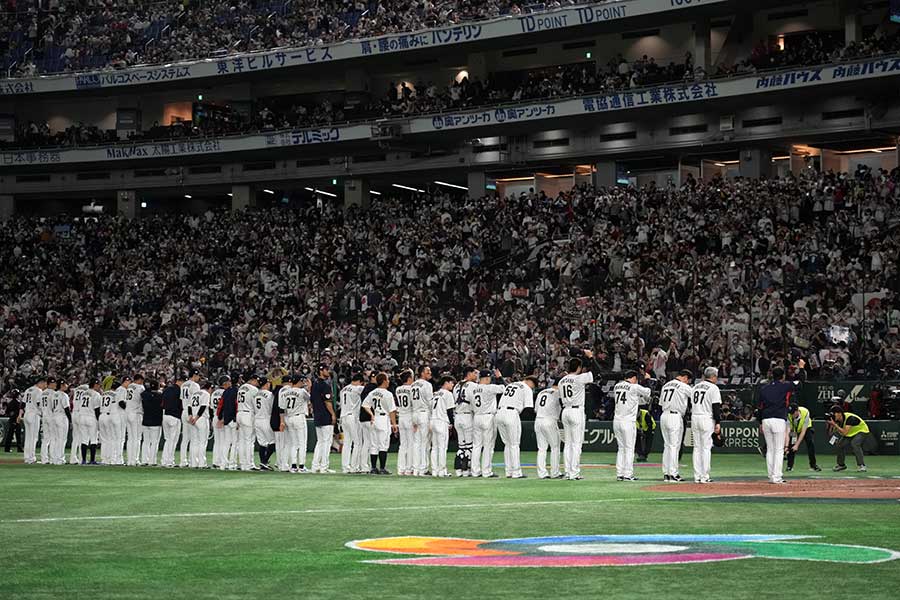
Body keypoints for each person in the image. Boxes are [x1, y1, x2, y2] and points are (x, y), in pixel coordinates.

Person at [559, 352, 594, 480]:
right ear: (578, 368)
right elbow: (594, 372)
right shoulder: (579, 378)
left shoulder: (562, 380)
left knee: (568, 443)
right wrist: (590, 358)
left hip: (565, 410)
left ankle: (568, 472)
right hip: (576, 411)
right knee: (576, 444)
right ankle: (574, 473)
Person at [612, 370, 651, 481]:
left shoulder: (617, 386)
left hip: (617, 421)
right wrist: (647, 379)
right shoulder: (634, 387)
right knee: (629, 448)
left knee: (621, 448)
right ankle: (628, 474)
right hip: (628, 421)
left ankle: (620, 473)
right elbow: (647, 392)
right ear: (633, 378)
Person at [495, 376, 537, 479]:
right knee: (514, 444)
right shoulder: (526, 388)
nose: (532, 388)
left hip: (499, 413)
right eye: (533, 386)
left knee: (507, 444)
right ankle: (516, 472)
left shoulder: (511, 384)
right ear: (530, 382)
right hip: (511, 413)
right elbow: (529, 408)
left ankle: (508, 471)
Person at [757, 367, 792, 484]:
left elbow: (759, 407)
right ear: (782, 376)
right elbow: (800, 384)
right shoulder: (785, 386)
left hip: (766, 419)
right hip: (778, 419)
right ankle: (777, 476)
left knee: (770, 449)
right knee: (778, 449)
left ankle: (771, 475)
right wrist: (801, 368)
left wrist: (760, 422)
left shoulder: (764, 388)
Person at [469, 369, 505, 478]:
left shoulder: (473, 389)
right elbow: (504, 388)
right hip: (488, 417)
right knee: (488, 446)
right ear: (487, 378)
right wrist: (499, 377)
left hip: (477, 417)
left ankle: (475, 471)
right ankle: (486, 471)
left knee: (476, 446)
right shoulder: (490, 387)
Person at [362, 372, 398, 474]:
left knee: (374, 445)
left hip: (375, 418)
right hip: (383, 419)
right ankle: (382, 468)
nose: (388, 381)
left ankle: (373, 468)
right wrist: (394, 424)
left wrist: (371, 414)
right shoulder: (388, 394)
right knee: (383, 445)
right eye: (387, 379)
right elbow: (392, 411)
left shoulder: (373, 392)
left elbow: (365, 405)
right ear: (384, 381)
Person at [691, 367, 722, 484]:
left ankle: (697, 476)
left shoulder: (695, 387)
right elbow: (716, 407)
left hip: (695, 417)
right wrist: (718, 422)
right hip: (706, 418)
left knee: (697, 448)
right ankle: (705, 476)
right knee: (706, 448)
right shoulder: (714, 388)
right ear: (713, 377)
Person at [659, 370, 692, 482]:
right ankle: (673, 473)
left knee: (667, 446)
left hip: (664, 415)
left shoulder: (666, 385)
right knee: (674, 446)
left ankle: (666, 473)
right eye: (688, 380)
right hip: (675, 416)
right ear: (685, 378)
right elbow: (695, 397)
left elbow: (661, 403)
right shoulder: (683, 386)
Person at [827, 405, 870, 472]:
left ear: (839, 413)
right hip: (850, 433)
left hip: (861, 430)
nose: (832, 416)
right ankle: (841, 465)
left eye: (834, 414)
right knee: (840, 445)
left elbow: (844, 433)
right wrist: (831, 425)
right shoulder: (838, 420)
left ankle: (861, 465)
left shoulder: (850, 418)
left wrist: (835, 425)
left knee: (855, 443)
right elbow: (830, 433)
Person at [534, 379, 563, 479]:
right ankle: (555, 473)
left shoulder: (542, 392)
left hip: (538, 420)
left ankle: (542, 473)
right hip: (549, 420)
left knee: (541, 448)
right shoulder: (558, 393)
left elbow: (536, 409)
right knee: (555, 447)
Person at [310, 364, 336, 473]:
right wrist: (333, 414)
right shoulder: (325, 385)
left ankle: (315, 466)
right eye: (326, 370)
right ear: (321, 371)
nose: (328, 371)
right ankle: (324, 467)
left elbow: (311, 401)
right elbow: (327, 402)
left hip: (317, 415)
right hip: (325, 415)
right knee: (326, 441)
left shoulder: (314, 384)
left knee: (320, 441)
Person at [452, 366, 477, 477]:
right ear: (469, 373)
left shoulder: (456, 385)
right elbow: (475, 403)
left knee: (461, 446)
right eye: (474, 373)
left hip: (457, 416)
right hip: (467, 416)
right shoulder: (473, 385)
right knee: (469, 446)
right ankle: (467, 470)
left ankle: (458, 470)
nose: (476, 375)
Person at [429, 375, 455, 478]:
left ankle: (435, 471)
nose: (452, 384)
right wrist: (452, 423)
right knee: (442, 447)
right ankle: (442, 471)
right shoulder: (448, 394)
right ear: (446, 382)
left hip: (433, 421)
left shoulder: (435, 393)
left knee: (434, 447)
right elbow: (449, 411)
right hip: (441, 421)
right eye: (451, 382)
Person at [338, 373, 365, 474]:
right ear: (359, 381)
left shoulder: (343, 389)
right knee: (357, 443)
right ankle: (354, 467)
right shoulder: (358, 388)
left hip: (343, 416)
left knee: (347, 443)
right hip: (352, 417)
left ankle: (345, 467)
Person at [411, 365, 434, 477]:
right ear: (421, 373)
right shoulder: (427, 385)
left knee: (416, 443)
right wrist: (432, 418)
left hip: (415, 413)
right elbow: (431, 402)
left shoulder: (413, 385)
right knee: (425, 443)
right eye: (427, 371)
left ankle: (416, 469)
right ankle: (423, 469)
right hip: (424, 413)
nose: (430, 372)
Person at [74, 379, 102, 465]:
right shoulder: (96, 394)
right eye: (98, 385)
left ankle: (83, 460)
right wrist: (99, 421)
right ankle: (92, 460)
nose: (99, 386)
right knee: (93, 439)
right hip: (91, 417)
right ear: (95, 385)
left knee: (84, 439)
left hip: (82, 417)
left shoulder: (83, 394)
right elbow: (97, 409)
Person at [236, 374, 260, 471]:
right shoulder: (253, 389)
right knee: (249, 441)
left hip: (240, 413)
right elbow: (255, 405)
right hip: (248, 414)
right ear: (253, 380)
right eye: (257, 381)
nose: (257, 383)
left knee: (241, 441)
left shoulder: (241, 388)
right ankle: (249, 464)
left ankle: (242, 463)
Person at [787, 403, 820, 472]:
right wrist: (786, 445)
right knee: (791, 445)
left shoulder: (805, 412)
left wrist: (797, 445)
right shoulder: (788, 415)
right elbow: (788, 430)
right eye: (791, 413)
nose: (792, 415)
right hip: (794, 430)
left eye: (793, 413)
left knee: (810, 443)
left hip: (806, 428)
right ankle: (789, 466)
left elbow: (803, 432)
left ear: (797, 411)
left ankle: (813, 465)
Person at [394, 370, 415, 475]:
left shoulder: (398, 389)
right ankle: (409, 468)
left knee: (403, 444)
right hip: (410, 416)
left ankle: (400, 468)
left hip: (401, 416)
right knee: (411, 443)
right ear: (409, 378)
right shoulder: (412, 389)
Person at [160, 375, 184, 468]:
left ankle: (164, 461)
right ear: (180, 381)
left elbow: (162, 403)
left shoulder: (167, 389)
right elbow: (181, 404)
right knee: (173, 440)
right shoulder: (179, 390)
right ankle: (169, 461)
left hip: (165, 415)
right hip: (174, 417)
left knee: (167, 440)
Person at [22, 377, 47, 464]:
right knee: (33, 438)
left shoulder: (28, 390)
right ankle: (31, 458)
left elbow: (23, 404)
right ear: (40, 382)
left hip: (26, 414)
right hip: (34, 415)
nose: (45, 386)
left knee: (28, 437)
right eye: (44, 384)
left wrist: (19, 415)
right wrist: (43, 411)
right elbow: (38, 403)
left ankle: (26, 457)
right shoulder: (38, 391)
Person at [179, 371, 201, 468]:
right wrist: (192, 414)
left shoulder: (183, 385)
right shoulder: (195, 385)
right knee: (194, 438)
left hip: (184, 411)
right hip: (191, 411)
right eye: (198, 376)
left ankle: (183, 461)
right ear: (194, 375)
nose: (199, 378)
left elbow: (181, 399)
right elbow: (196, 401)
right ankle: (193, 462)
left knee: (185, 439)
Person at [253, 379, 276, 470]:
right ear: (266, 384)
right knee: (272, 442)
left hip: (257, 419)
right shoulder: (270, 395)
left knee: (262, 443)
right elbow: (272, 408)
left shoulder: (255, 394)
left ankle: (263, 463)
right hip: (266, 419)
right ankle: (264, 461)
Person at [189, 381, 212, 468]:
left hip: (193, 418)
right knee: (203, 442)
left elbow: (189, 406)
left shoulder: (195, 394)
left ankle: (194, 463)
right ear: (209, 388)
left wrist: (191, 416)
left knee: (194, 442)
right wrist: (197, 418)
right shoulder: (206, 394)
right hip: (201, 418)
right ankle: (202, 463)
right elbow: (203, 407)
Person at [140, 380, 163, 466]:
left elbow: (144, 393)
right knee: (154, 442)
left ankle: (144, 460)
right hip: (156, 422)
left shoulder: (145, 395)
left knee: (145, 441)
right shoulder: (160, 396)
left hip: (146, 421)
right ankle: (152, 461)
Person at [218, 375, 238, 471]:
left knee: (226, 442)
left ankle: (223, 464)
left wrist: (220, 418)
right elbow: (237, 405)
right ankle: (231, 464)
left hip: (226, 419)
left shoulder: (225, 392)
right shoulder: (236, 391)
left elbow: (220, 406)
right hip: (233, 420)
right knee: (234, 443)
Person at [125, 374, 145, 466]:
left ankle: (129, 460)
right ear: (139, 380)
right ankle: (135, 460)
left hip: (128, 412)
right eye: (142, 380)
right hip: (136, 413)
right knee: (137, 438)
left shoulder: (129, 386)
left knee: (130, 438)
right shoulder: (140, 387)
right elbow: (144, 398)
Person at [49, 380, 71, 465]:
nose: (67, 385)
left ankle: (54, 459)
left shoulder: (53, 394)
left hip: (54, 416)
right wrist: (70, 420)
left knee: (55, 439)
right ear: (62, 385)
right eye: (65, 384)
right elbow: (66, 409)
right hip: (61, 417)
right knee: (62, 439)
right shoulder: (64, 395)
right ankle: (60, 459)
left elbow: (50, 407)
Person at [98, 383, 120, 465]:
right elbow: (115, 407)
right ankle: (111, 459)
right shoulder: (115, 394)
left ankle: (104, 459)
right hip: (109, 415)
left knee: (104, 440)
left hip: (101, 415)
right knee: (111, 438)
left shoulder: (103, 394)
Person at [39, 378, 57, 464]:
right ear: (50, 384)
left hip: (44, 416)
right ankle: (52, 458)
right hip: (51, 416)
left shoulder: (42, 393)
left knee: (45, 439)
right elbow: (54, 407)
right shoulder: (54, 393)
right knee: (53, 438)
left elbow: (39, 405)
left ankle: (44, 459)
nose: (55, 385)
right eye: (54, 383)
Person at [210, 381, 225, 468]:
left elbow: (211, 407)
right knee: (223, 441)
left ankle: (215, 461)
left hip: (215, 416)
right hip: (221, 417)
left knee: (217, 441)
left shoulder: (214, 393)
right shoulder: (224, 392)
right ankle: (221, 461)